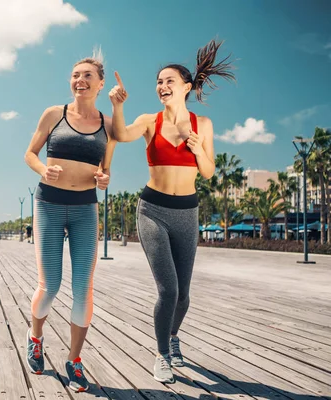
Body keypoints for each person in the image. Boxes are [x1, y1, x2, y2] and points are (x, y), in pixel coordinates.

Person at [109, 39, 235, 383]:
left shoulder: (203, 125)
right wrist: (118, 106)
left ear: (186, 87)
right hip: (152, 210)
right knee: (168, 290)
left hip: (187, 212)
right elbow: (119, 134)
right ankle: (162, 353)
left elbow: (208, 172)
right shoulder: (150, 121)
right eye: (159, 81)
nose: (162, 86)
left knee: (184, 295)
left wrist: (197, 149)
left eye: (169, 81)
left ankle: (173, 337)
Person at [23, 50, 117, 392]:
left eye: (88, 75)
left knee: (83, 289)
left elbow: (106, 169)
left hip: (84, 208)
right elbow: (30, 153)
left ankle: (74, 360)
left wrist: (104, 179)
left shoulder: (108, 125)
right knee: (50, 286)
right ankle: (36, 337)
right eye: (76, 75)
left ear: (100, 83)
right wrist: (43, 169)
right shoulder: (53, 114)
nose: (80, 80)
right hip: (48, 203)